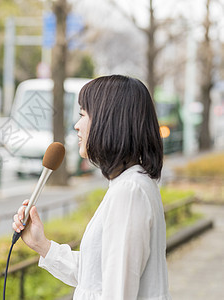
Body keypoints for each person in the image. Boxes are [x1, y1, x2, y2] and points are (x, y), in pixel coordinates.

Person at [12, 75, 171, 299]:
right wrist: (42, 245)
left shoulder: (130, 192)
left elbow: (117, 292)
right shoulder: (129, 185)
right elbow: (95, 277)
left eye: (83, 115)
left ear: (110, 120)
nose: (77, 125)